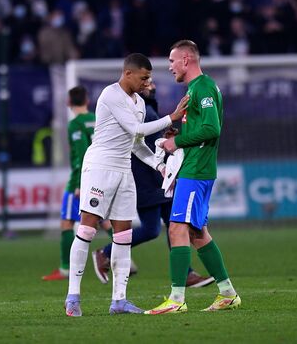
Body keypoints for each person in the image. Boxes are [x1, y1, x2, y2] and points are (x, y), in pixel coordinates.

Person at [65, 53, 189, 317]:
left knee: (124, 235)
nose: (147, 83)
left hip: (123, 169)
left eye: (149, 79)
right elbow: (135, 129)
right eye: (144, 78)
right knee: (87, 229)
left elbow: (137, 145)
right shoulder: (110, 95)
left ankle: (119, 301)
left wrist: (159, 165)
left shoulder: (140, 103)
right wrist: (172, 117)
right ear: (128, 73)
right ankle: (73, 296)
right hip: (100, 167)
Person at [145, 40, 241, 315]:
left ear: (186, 60)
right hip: (195, 167)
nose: (170, 67)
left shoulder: (204, 88)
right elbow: (203, 128)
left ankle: (176, 299)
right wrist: (179, 137)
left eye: (172, 61)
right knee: (198, 234)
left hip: (196, 171)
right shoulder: (196, 89)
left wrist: (178, 143)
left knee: (176, 229)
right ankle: (227, 293)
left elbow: (213, 128)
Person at [91, 81, 214, 288]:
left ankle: (186, 273)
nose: (152, 84)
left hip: (160, 176)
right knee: (151, 229)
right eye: (147, 80)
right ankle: (105, 253)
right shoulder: (139, 110)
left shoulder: (148, 108)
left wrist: (166, 138)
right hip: (144, 178)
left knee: (176, 224)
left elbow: (151, 139)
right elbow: (137, 139)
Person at [43, 85, 97, 281]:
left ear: (68, 102)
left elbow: (83, 154)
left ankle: (65, 269)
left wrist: (80, 183)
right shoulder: (96, 119)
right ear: (87, 101)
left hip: (79, 179)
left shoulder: (75, 124)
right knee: (104, 219)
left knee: (67, 222)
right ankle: (120, 258)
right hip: (99, 176)